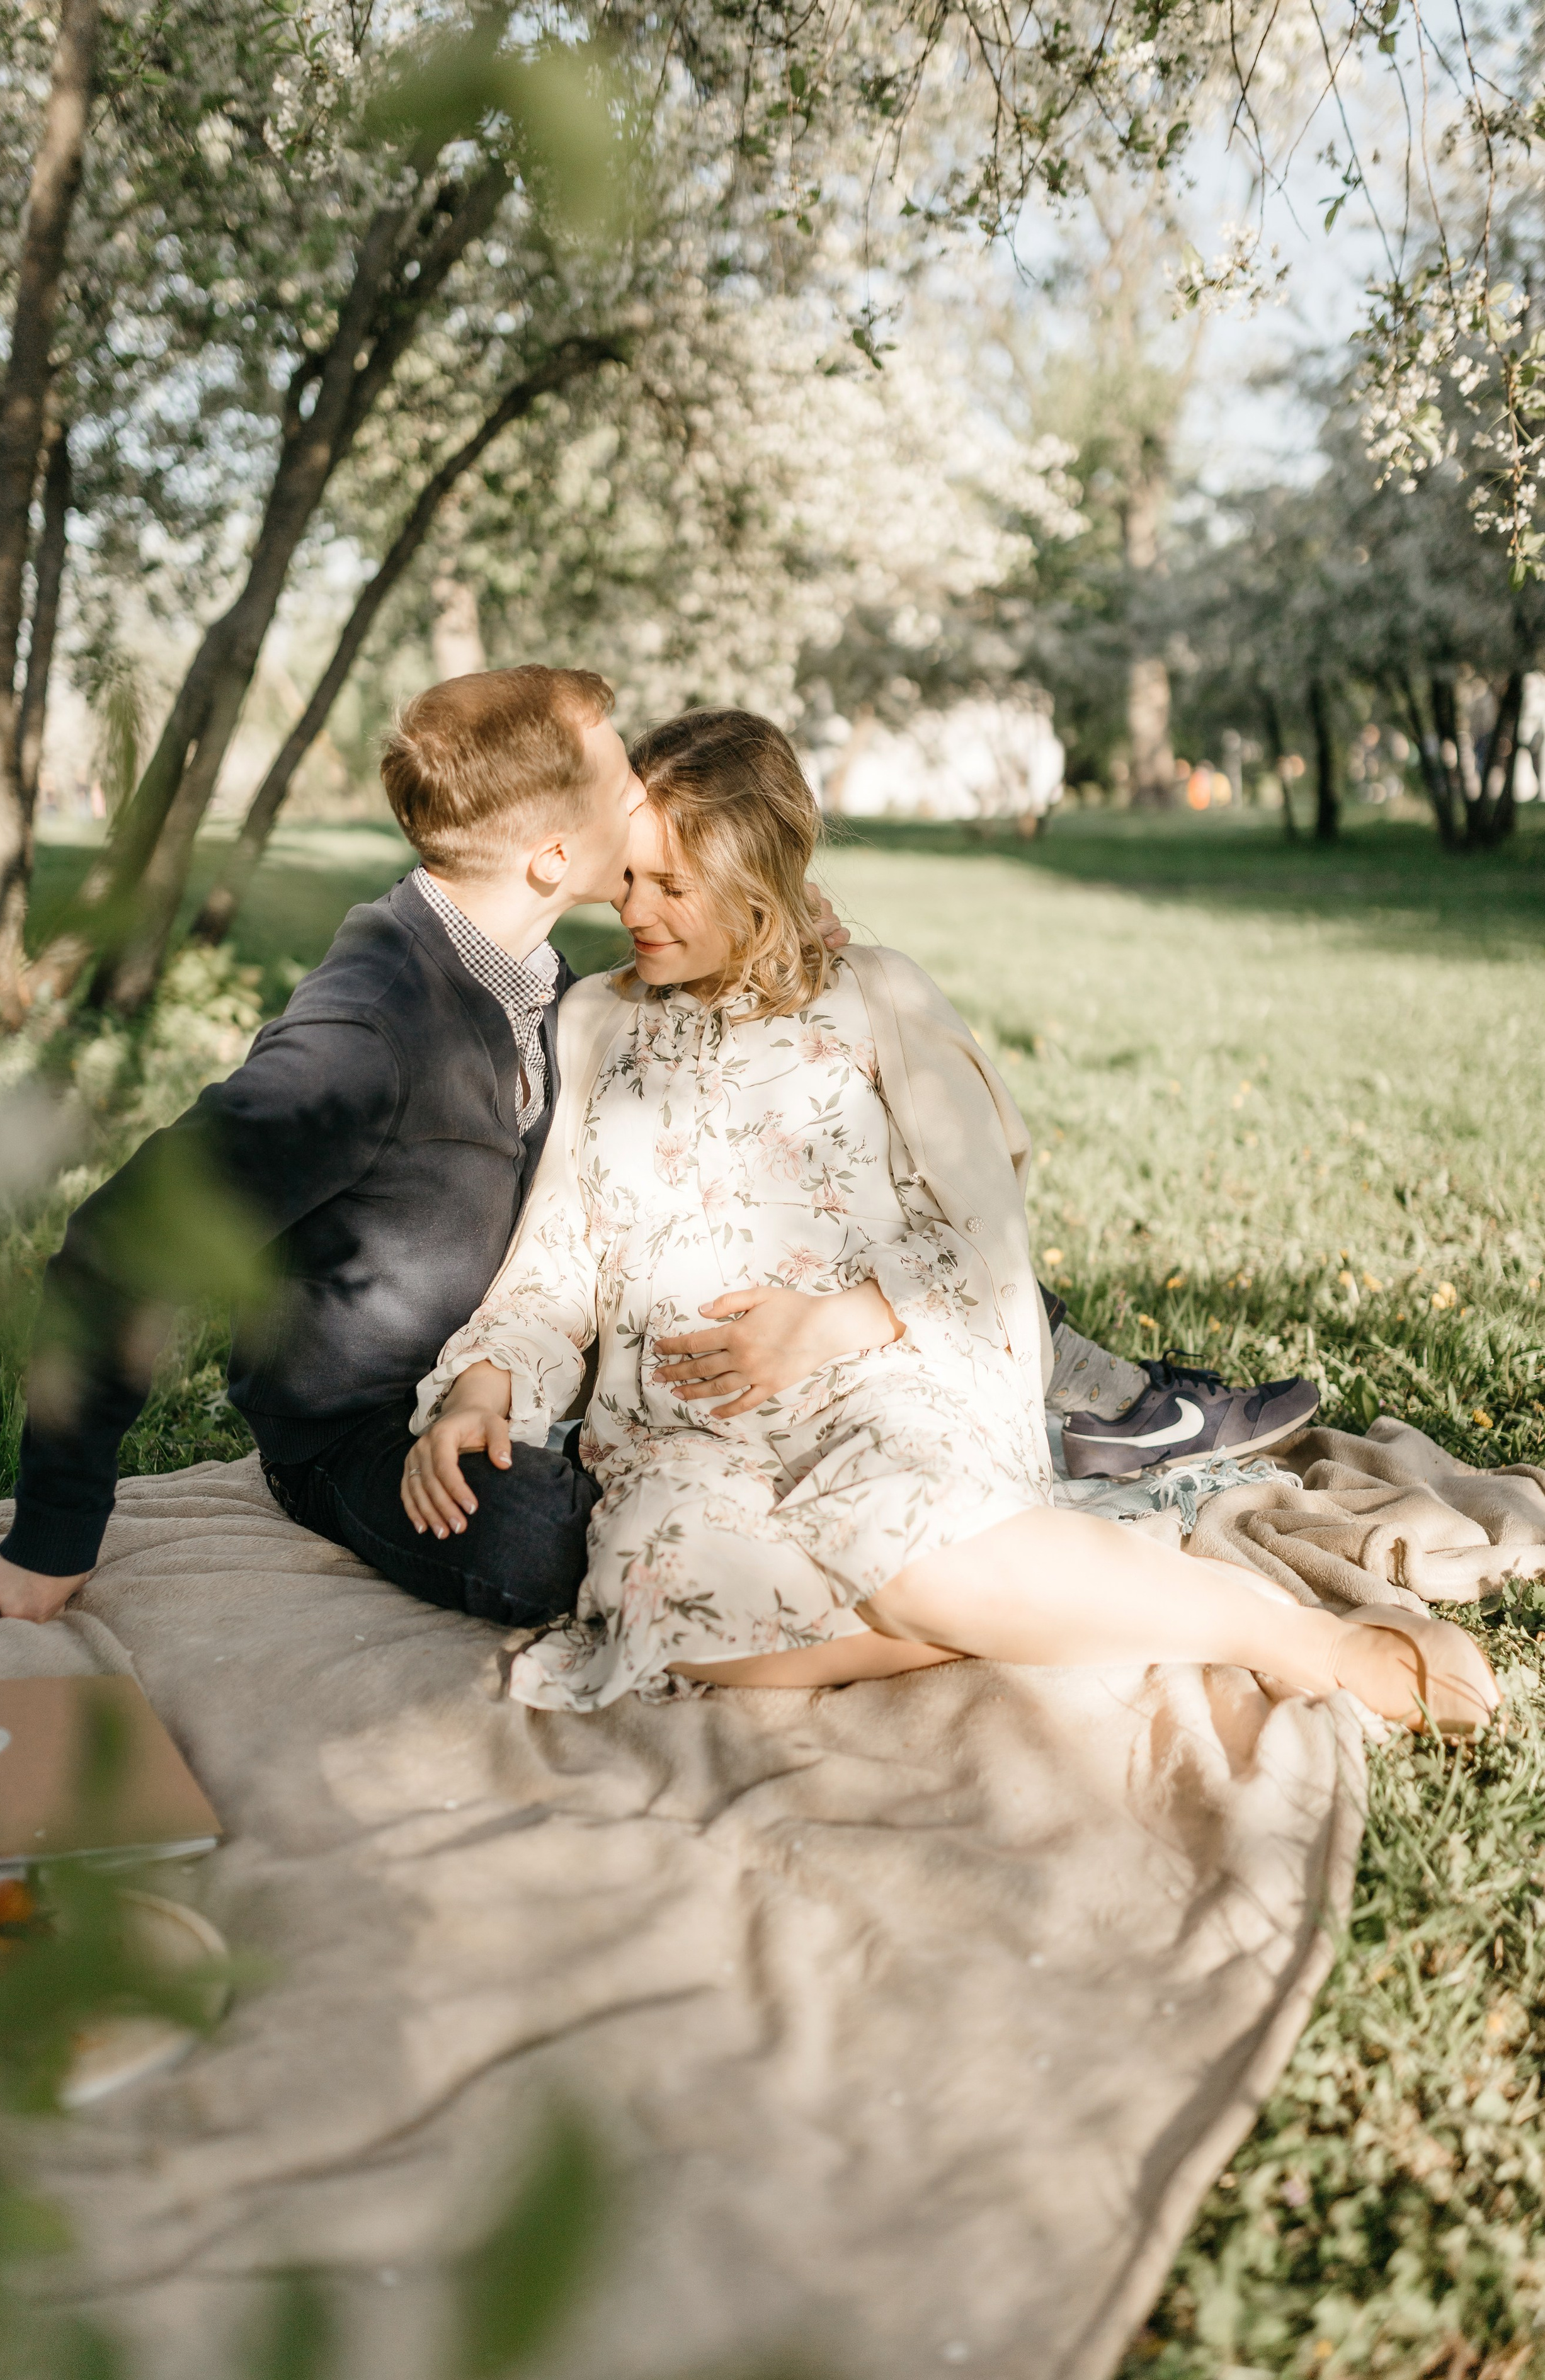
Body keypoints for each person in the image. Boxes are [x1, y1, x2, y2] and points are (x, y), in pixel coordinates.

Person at [0, 665, 1306, 1632]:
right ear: (562, 851)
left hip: (590, 1344)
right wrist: (52, 1538)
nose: (641, 805)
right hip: (376, 1415)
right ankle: (1032, 1478)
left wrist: (777, 914)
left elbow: (727, 1039)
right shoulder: (369, 1033)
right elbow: (115, 1248)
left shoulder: (529, 963)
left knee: (837, 1216)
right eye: (627, 792)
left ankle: (1070, 1407)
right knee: (566, 1553)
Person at [404, 709, 1498, 1734]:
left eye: (673, 886)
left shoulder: (876, 996)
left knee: (904, 1554)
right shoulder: (597, 1021)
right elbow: (558, 1248)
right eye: (629, 880)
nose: (635, 910)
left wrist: (830, 1325)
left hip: (882, 1376)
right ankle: (1048, 1594)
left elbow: (984, 1230)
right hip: (684, 1431)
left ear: (756, 882)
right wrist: (485, 1386)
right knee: (666, 1608)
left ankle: (1291, 1637)